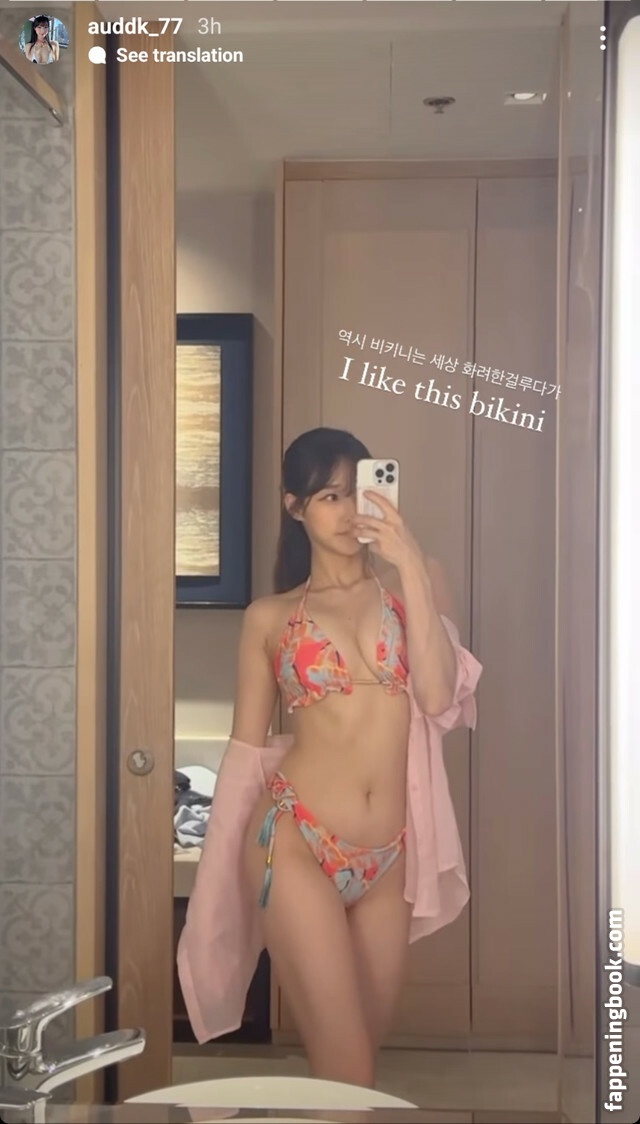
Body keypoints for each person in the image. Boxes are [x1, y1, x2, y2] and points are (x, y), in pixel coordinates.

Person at [178, 427, 482, 1088]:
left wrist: (409, 561)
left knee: (353, 1076)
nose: (348, 513)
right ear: (295, 507)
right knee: (347, 1065)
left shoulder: (415, 583)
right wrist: (217, 883)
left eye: (356, 492)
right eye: (328, 496)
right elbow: (245, 754)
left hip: (389, 856)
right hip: (295, 840)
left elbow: (437, 695)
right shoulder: (270, 617)